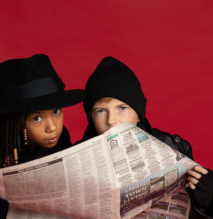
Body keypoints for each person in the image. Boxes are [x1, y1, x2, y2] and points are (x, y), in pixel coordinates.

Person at [81, 56, 213, 218]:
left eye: (122, 108)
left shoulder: (173, 148)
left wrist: (206, 203)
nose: (111, 120)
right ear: (91, 117)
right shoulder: (75, 155)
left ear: (138, 115)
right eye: (100, 111)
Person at [0, 54, 86, 218]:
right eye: (37, 118)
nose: (52, 127)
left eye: (56, 111)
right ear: (16, 121)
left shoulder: (60, 138)